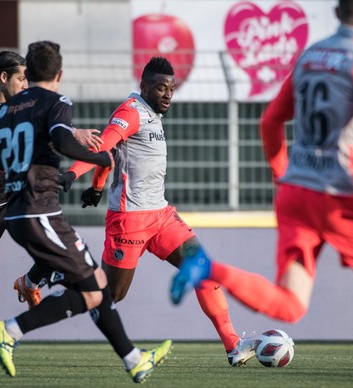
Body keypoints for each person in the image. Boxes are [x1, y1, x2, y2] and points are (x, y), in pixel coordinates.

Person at [171, 1, 353, 388]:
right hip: (339, 194)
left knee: (291, 304)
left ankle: (208, 269)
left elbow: (270, 121)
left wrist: (283, 177)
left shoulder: (311, 55)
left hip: (295, 192)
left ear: (337, 11)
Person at [0, 41, 171, 383]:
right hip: (38, 211)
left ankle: (133, 359)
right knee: (93, 288)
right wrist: (101, 158)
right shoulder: (56, 102)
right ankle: (11, 329)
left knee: (96, 285)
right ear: (59, 74)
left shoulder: (3, 111)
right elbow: (62, 140)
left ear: (30, 73)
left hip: (17, 213)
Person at [60, 56, 256, 367]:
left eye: (172, 89)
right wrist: (72, 173)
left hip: (161, 215)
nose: (167, 95)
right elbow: (105, 146)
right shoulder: (131, 112)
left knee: (203, 270)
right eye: (161, 88)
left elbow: (113, 158)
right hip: (130, 220)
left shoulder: (152, 114)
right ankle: (59, 275)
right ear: (145, 86)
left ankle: (233, 345)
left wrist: (97, 187)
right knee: (109, 296)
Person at [0, 51, 104, 367]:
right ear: (3, 78)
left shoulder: (14, 108)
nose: (25, 83)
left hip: (14, 201)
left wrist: (69, 135)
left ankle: (29, 283)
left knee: (50, 242)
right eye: (21, 77)